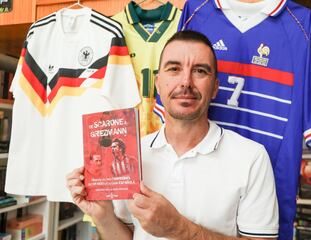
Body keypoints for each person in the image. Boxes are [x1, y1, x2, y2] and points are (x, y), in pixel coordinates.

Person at [67, 30, 279, 239]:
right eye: (174, 69)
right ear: (158, 84)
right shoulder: (132, 153)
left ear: (215, 87)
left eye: (200, 71)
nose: (186, 82)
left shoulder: (251, 158)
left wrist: (177, 228)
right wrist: (103, 216)